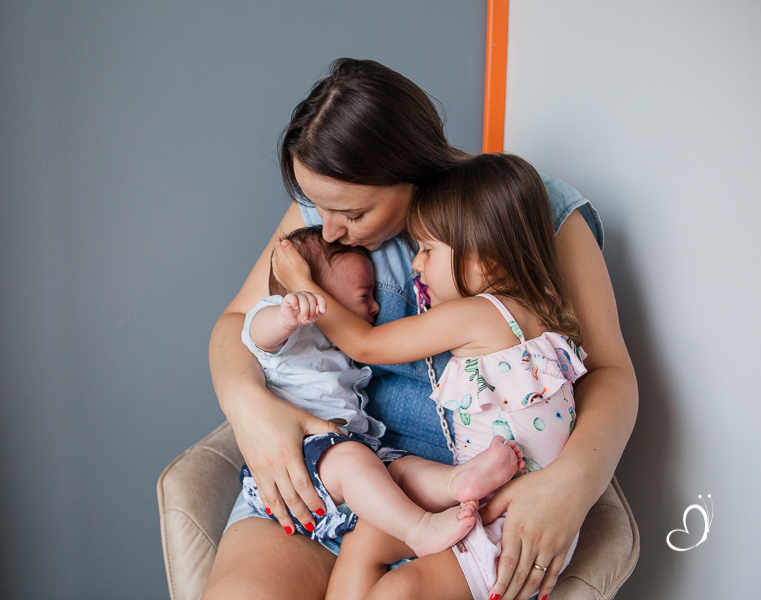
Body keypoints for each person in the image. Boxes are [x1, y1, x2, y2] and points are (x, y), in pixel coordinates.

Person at [204, 58, 636, 600]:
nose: (329, 231)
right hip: (334, 475)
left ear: (412, 171)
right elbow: (239, 323)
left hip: (462, 495)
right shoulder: (330, 204)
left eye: (353, 215)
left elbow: (609, 371)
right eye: (318, 209)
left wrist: (573, 481)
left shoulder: (531, 211)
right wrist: (248, 406)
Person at [272, 154, 587, 600]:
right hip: (509, 503)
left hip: (509, 530)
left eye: (427, 249)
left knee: (401, 589)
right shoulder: (545, 311)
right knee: (369, 537)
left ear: (487, 262)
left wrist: (305, 284)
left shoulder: (479, 315)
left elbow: (366, 345)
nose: (416, 265)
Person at [240, 226, 524, 558]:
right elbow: (255, 335)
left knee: (399, 468)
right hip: (295, 465)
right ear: (318, 293)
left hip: (347, 456)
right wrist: (285, 314)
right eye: (365, 295)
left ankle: (457, 482)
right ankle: (419, 530)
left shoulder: (333, 348)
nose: (375, 307)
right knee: (353, 461)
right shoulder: (288, 332)